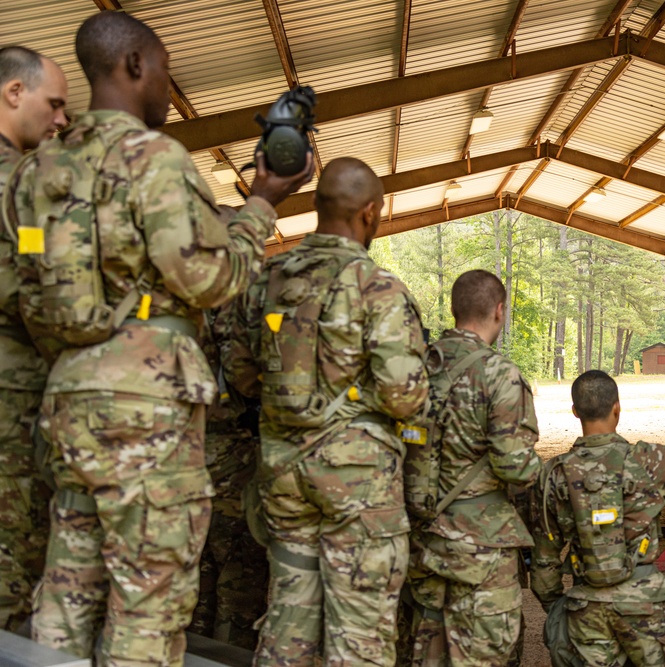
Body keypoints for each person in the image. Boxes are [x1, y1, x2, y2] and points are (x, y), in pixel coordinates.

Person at [4, 11, 311, 665]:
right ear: (136, 65)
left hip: (67, 402)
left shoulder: (36, 172)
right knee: (147, 604)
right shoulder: (153, 159)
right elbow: (210, 277)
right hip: (147, 408)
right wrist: (263, 201)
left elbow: (24, 286)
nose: (170, 91)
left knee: (66, 593)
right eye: (167, 72)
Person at [224, 156, 428, 666]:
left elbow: (240, 375)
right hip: (356, 484)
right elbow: (406, 397)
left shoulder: (266, 279)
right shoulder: (376, 287)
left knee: (288, 622)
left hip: (283, 475)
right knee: (358, 637)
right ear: (370, 213)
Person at [531, 370, 665, 666]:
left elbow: (543, 560)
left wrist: (557, 607)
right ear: (617, 407)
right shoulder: (647, 460)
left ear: (575, 411)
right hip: (643, 604)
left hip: (585, 607)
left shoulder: (554, 474)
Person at [404, 269, 542, 666]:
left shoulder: (415, 369)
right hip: (481, 547)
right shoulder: (499, 374)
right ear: (499, 311)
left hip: (421, 539)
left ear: (453, 309)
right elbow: (516, 467)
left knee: (427, 650)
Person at [0, 44, 68, 632]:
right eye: (55, 104)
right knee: (11, 568)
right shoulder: (22, 184)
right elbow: (39, 298)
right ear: (13, 93)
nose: (62, 119)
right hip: (10, 408)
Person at [188, 306, 268, 651]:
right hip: (232, 457)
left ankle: (194, 647)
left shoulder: (182, 309)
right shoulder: (239, 311)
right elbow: (245, 377)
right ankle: (224, 653)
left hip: (186, 453)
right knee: (238, 573)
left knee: (198, 567)